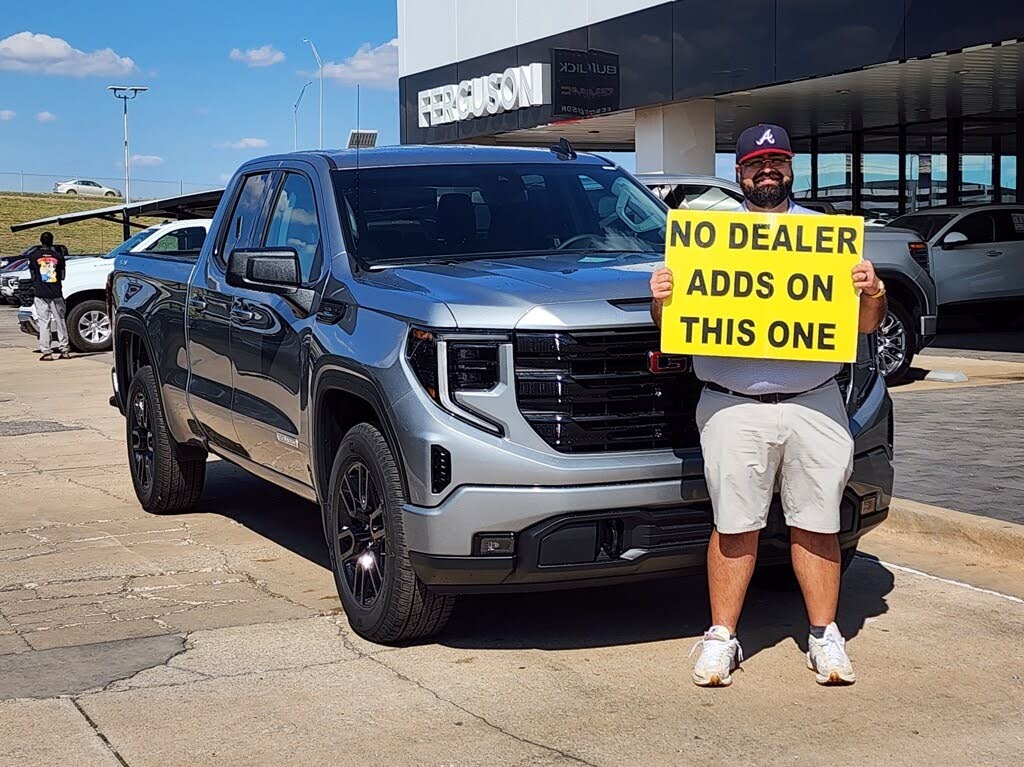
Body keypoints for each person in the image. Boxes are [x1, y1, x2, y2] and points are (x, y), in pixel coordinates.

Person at [649, 124, 887, 687]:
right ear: (739, 173)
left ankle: (825, 637)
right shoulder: (706, 239)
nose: (767, 171)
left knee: (818, 523)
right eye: (756, 163)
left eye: (776, 161)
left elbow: (863, 326)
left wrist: (873, 294)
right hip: (734, 406)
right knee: (734, 525)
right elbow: (672, 330)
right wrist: (662, 301)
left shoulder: (826, 237)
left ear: (790, 169)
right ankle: (721, 638)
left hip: (815, 402)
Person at [28, 231, 70, 361]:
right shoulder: (59, 256)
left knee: (43, 322)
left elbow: (33, 275)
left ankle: (47, 352)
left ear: (41, 241)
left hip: (40, 293)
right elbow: (62, 276)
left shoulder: (33, 256)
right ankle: (64, 350)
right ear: (52, 241)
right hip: (56, 293)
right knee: (60, 321)